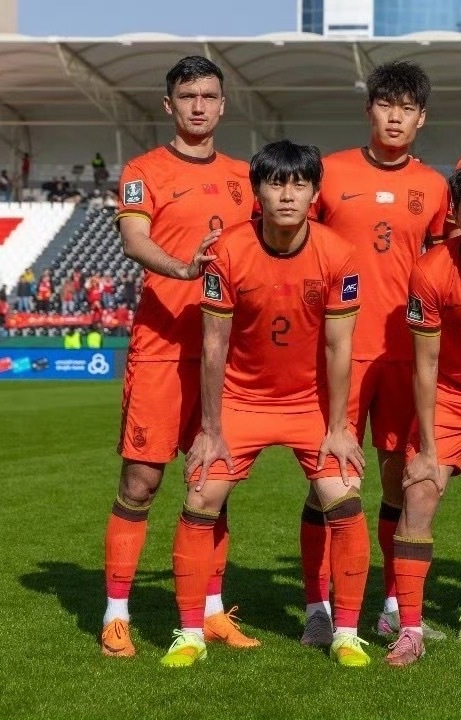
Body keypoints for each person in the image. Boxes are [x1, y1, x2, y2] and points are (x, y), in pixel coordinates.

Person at [160, 140, 369, 669]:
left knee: (344, 498)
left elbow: (339, 346)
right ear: (257, 191)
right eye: (276, 183)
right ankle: (190, 633)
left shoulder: (339, 254)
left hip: (310, 404)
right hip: (241, 400)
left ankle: (345, 633)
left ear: (315, 193)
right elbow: (214, 345)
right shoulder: (227, 251)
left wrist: (340, 427)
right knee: (201, 494)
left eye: (300, 184)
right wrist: (210, 429)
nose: (287, 194)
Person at [101, 55, 257, 658]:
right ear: (169, 105)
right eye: (187, 95)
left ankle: (212, 611)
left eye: (208, 95)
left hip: (228, 354)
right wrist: (184, 269)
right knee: (141, 481)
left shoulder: (247, 176)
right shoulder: (143, 170)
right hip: (163, 348)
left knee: (214, 483)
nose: (198, 105)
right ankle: (116, 614)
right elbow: (134, 238)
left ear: (223, 105)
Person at [300, 60, 452, 647]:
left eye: (406, 108)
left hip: (404, 356)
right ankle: (317, 607)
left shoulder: (434, 187)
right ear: (369, 109)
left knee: (397, 482)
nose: (395, 117)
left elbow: (440, 265)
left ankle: (392, 605)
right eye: (385, 104)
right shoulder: (329, 173)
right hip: (336, 352)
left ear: (421, 118)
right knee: (328, 482)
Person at [385, 168, 461, 666]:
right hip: (449, 396)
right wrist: (430, 449)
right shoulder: (432, 271)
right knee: (417, 493)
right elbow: (426, 365)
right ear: (455, 213)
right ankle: (409, 629)